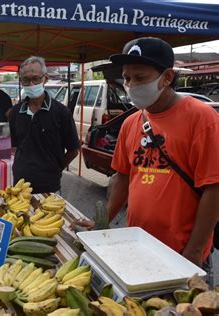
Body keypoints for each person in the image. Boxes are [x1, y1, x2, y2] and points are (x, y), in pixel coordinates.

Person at [78, 37, 219, 271]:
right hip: (137, 245)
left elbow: (214, 188)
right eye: (126, 77)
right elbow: (122, 177)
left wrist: (193, 253)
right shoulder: (131, 123)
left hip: (182, 253)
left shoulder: (202, 120)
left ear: (167, 78)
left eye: (140, 77)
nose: (131, 85)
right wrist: (101, 224)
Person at [10, 56, 80, 194]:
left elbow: (73, 150)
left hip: (49, 186)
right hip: (19, 184)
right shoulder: (15, 112)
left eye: (35, 79)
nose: (31, 84)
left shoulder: (61, 112)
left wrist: (55, 168)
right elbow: (15, 146)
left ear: (45, 79)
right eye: (25, 80)